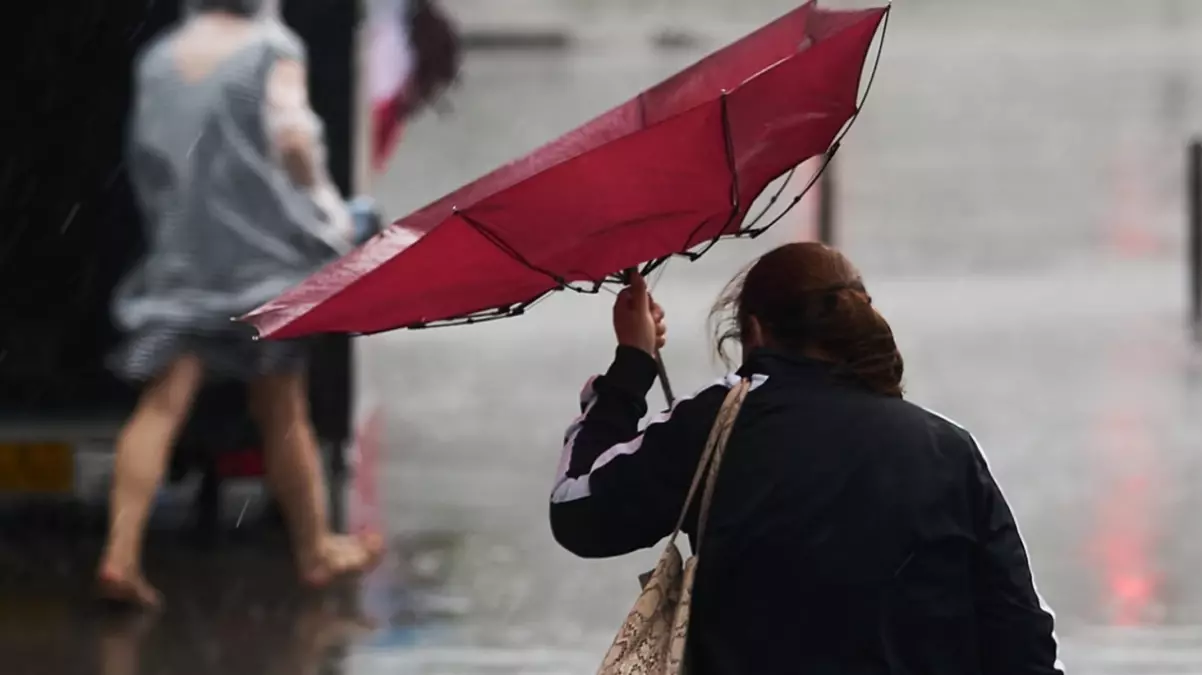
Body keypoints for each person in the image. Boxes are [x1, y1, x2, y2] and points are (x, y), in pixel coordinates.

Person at [549, 242, 1065, 674]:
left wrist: (633, 365)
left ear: (753, 331)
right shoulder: (946, 447)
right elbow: (1020, 633)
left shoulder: (715, 425)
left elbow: (578, 513)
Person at [98, 0, 381, 608]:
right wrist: (328, 210)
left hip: (184, 259)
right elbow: (294, 139)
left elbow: (148, 158)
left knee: (162, 405)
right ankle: (314, 550)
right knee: (283, 408)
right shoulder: (270, 49)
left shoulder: (158, 60)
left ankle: (119, 555)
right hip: (262, 263)